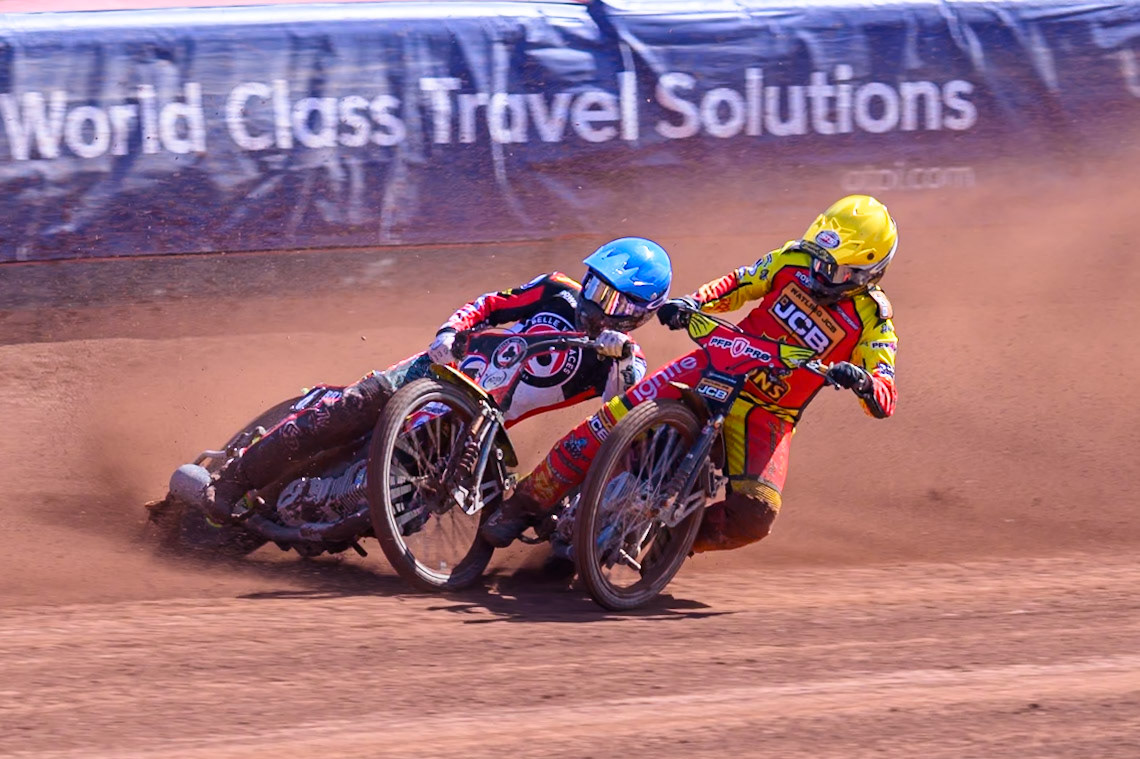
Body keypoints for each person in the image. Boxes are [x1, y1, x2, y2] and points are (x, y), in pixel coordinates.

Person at [481, 195, 899, 552]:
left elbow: (885, 391)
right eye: (820, 259)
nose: (820, 273)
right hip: (720, 361)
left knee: (756, 516)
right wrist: (694, 303)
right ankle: (523, 505)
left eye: (837, 270)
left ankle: (671, 544)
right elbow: (740, 283)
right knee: (611, 419)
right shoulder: (793, 259)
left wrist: (863, 382)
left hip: (768, 413)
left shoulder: (874, 319)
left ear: (868, 274)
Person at [203, 237, 673, 525]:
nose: (594, 300)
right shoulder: (554, 289)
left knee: (413, 500)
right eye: (594, 284)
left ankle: (334, 518)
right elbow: (490, 304)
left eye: (612, 297)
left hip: (475, 424)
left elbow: (619, 430)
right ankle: (232, 480)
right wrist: (450, 331)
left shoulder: (624, 363)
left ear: (638, 313)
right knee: (346, 408)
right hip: (436, 373)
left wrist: (622, 359)